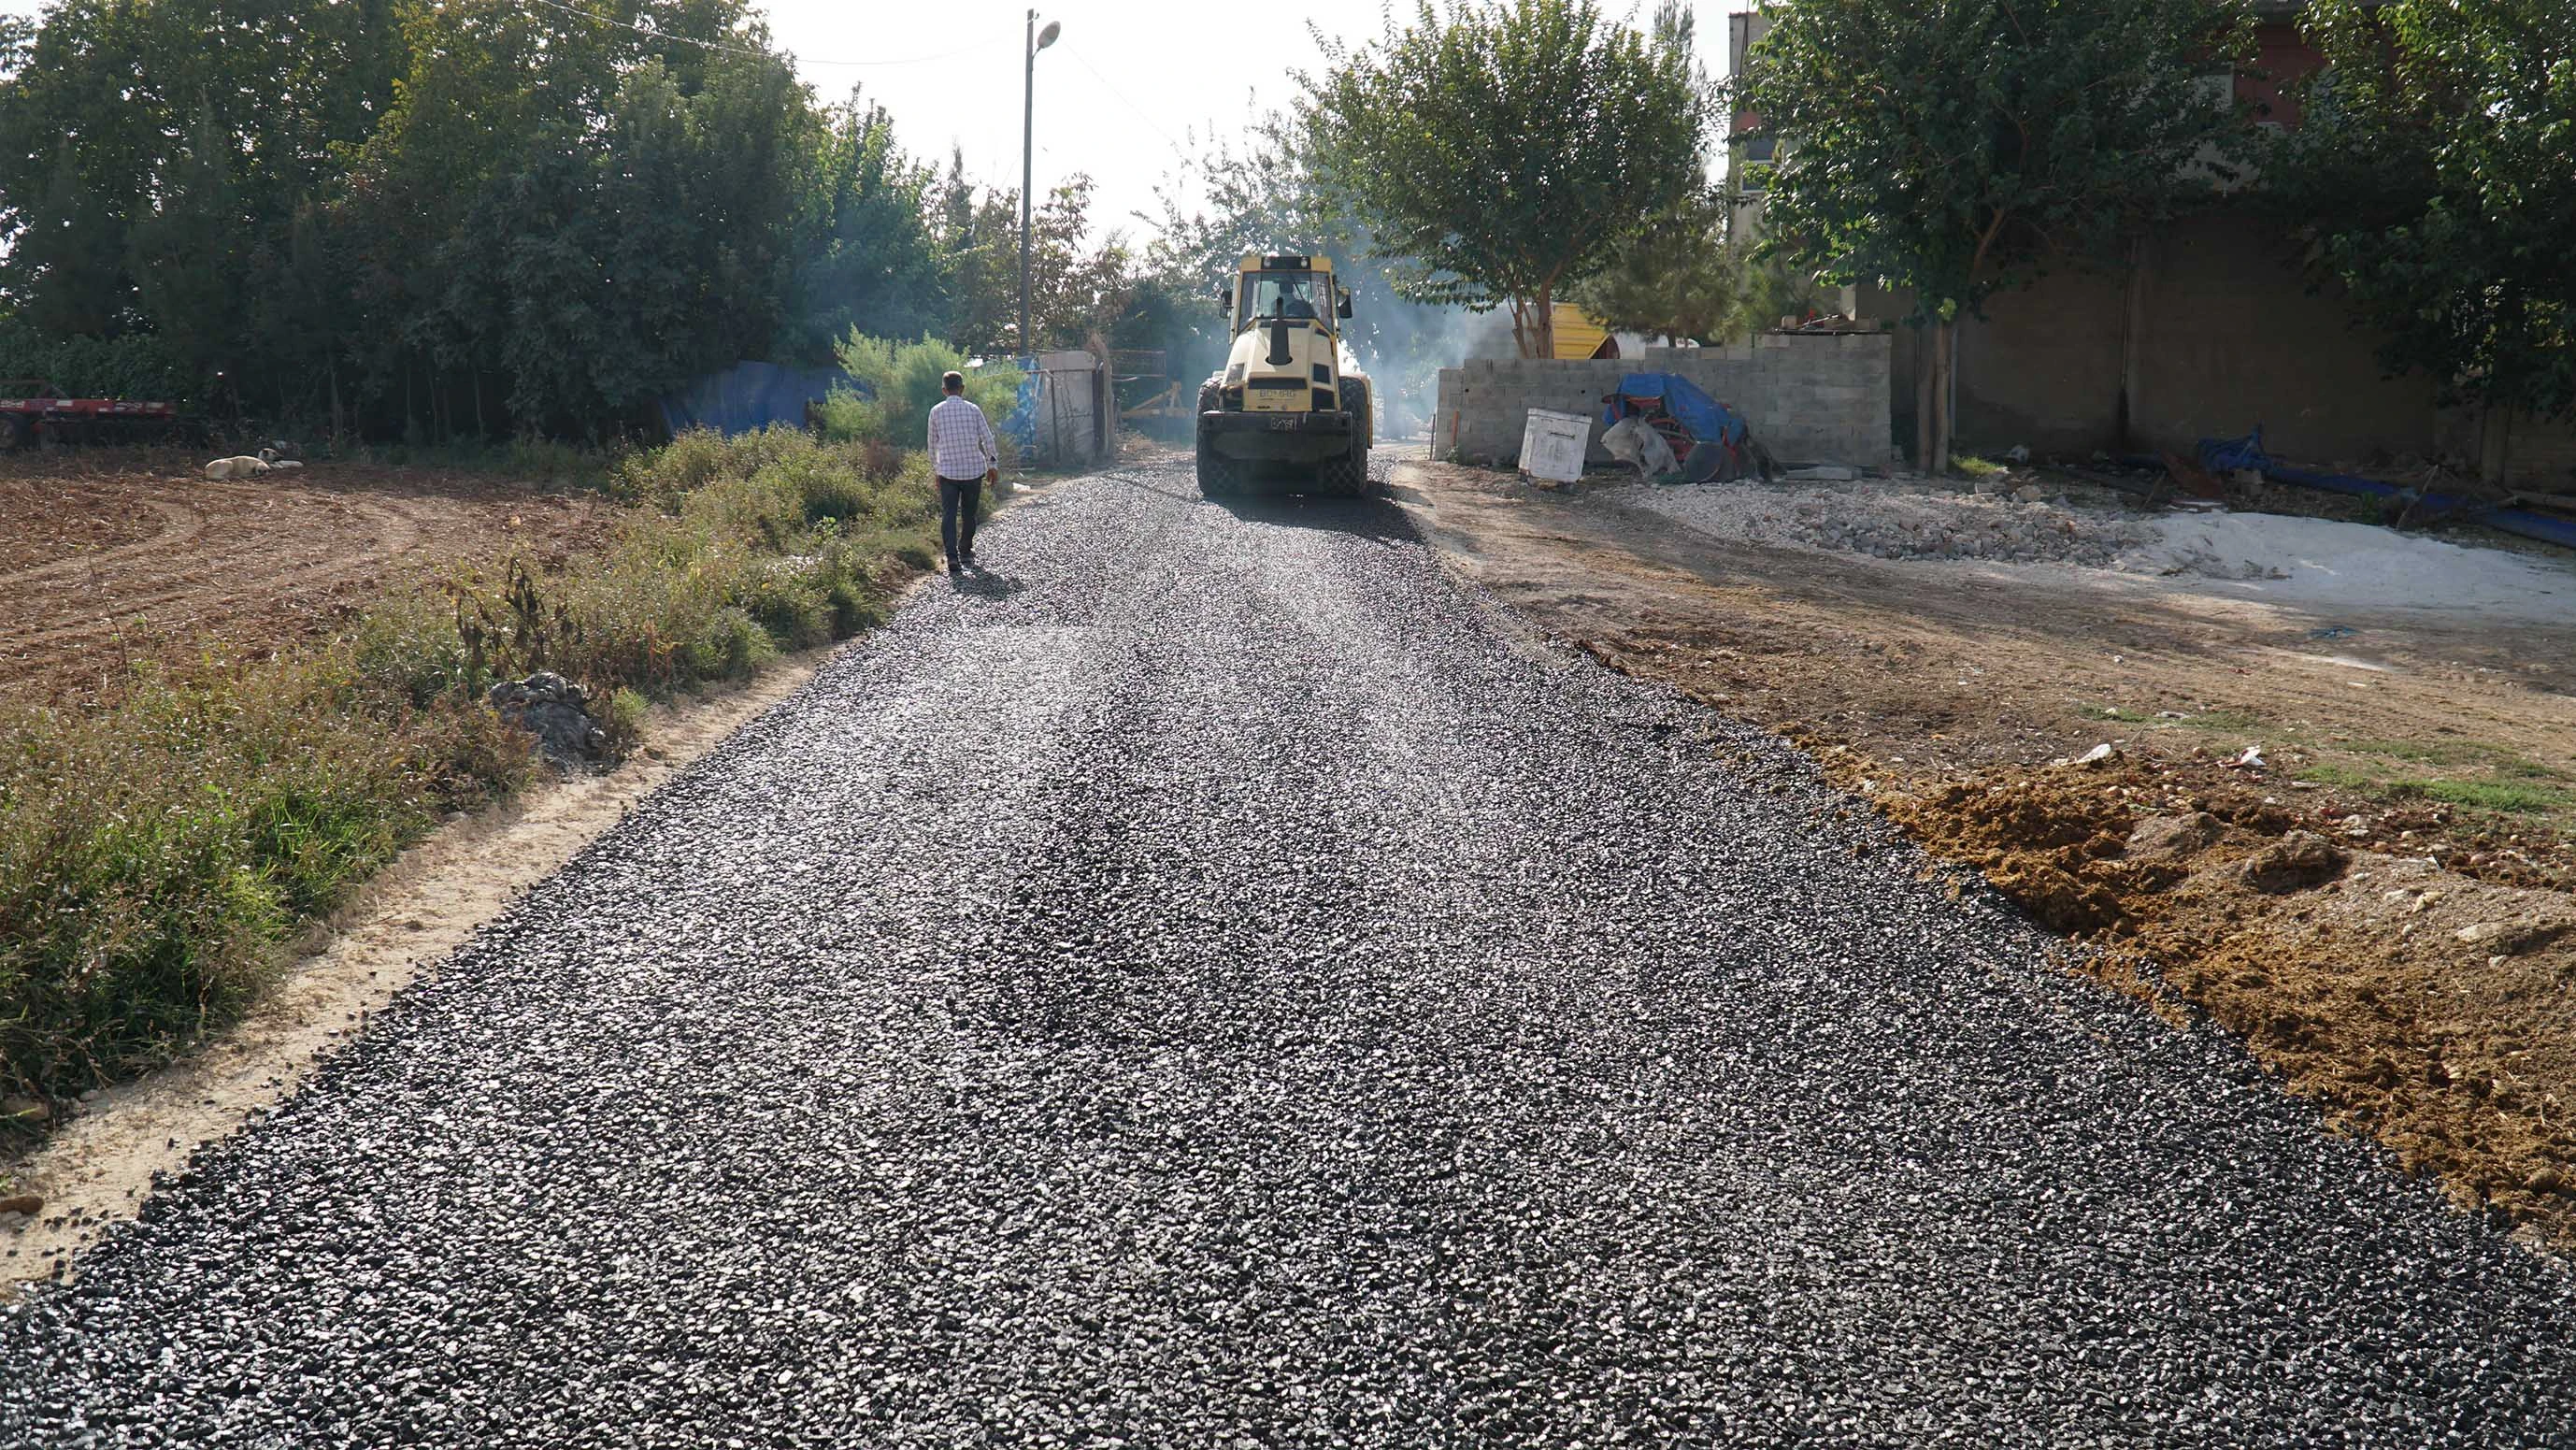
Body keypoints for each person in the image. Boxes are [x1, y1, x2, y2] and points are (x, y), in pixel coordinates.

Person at [926, 370, 999, 577]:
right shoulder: (973, 409)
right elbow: (987, 438)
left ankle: (952, 558)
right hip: (973, 471)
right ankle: (965, 551)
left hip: (947, 473)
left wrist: (937, 470)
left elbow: (932, 445)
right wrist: (992, 465)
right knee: (969, 514)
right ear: (962, 388)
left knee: (949, 514)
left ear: (944, 390)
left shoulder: (936, 411)